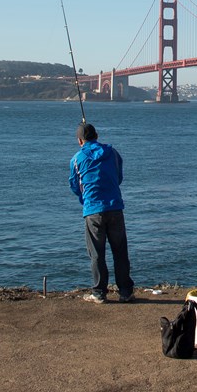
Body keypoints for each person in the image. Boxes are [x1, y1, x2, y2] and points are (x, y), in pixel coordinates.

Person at [69, 122, 134, 303]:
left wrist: (86, 199)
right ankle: (125, 291)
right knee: (120, 251)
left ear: (80, 141)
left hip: (93, 210)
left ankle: (99, 293)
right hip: (114, 207)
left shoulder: (76, 159)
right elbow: (119, 177)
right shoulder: (113, 154)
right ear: (97, 136)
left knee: (97, 254)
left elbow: (75, 185)